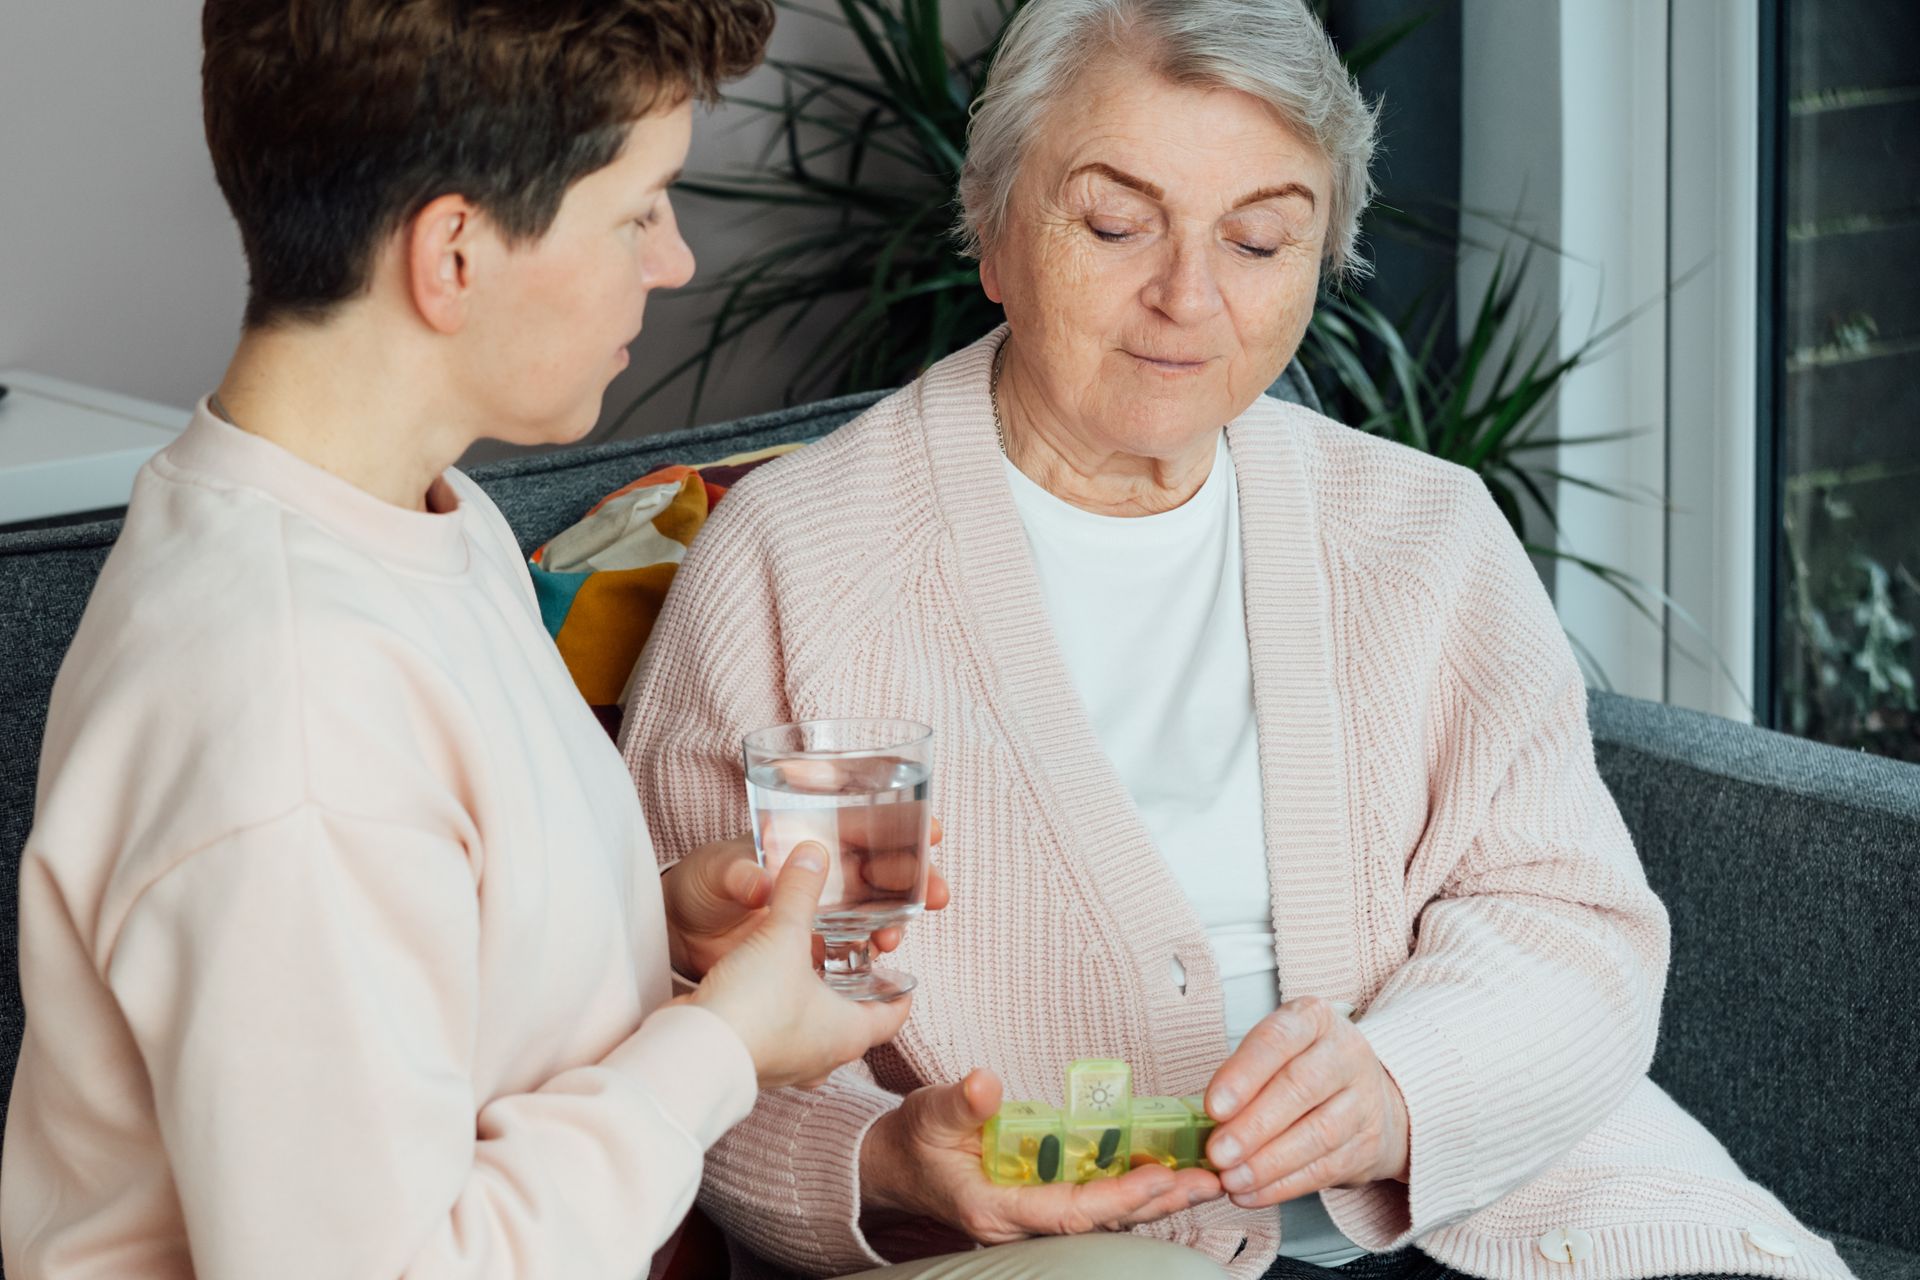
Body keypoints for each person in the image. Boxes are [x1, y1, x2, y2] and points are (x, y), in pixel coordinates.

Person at [619, 1, 1856, 1278]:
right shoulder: (796, 560)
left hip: (1510, 1199)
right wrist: (880, 1161)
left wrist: (1404, 1082)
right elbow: (660, 1030)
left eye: (1260, 239)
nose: (1188, 298)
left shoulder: (1425, 533)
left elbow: (1574, 920)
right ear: (990, 231)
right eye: (1113, 224)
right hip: (1077, 1254)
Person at [0, 3, 971, 1277]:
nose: (673, 260)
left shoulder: (430, 523)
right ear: (452, 254)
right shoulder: (286, 702)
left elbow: (418, 984)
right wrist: (721, 1044)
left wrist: (645, 930)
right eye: (639, 210)